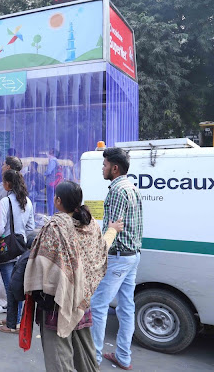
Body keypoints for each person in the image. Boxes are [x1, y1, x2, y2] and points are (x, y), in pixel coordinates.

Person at [24, 180, 123, 372]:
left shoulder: (54, 227)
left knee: (60, 358)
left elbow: (41, 267)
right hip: (81, 300)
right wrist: (112, 230)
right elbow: (101, 250)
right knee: (85, 354)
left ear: (58, 200)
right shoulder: (90, 223)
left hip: (57, 302)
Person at [91, 147, 143, 370]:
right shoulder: (132, 188)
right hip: (133, 256)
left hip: (119, 257)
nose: (102, 169)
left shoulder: (117, 191)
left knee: (98, 306)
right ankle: (123, 357)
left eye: (104, 165)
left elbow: (112, 230)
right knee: (126, 308)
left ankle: (93, 359)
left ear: (114, 168)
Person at [0, 169, 35, 333]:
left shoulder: (5, 201)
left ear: (8, 184)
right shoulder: (27, 201)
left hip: (7, 249)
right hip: (22, 248)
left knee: (10, 288)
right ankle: (15, 318)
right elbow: (31, 228)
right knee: (17, 286)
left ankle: (14, 324)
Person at [45, 148, 60, 216]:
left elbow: (48, 172)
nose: (48, 154)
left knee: (50, 200)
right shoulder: (56, 161)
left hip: (51, 183)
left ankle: (50, 215)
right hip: (54, 183)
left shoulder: (52, 161)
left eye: (50, 153)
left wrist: (44, 173)